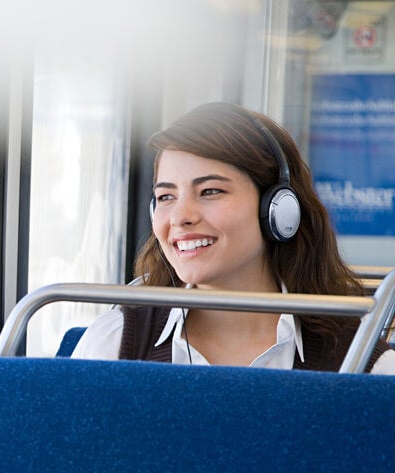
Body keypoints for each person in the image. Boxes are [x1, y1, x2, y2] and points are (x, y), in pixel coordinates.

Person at [70, 102, 395, 374]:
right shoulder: (114, 343)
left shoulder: (362, 363)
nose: (182, 216)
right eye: (166, 196)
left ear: (279, 210)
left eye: (211, 191)